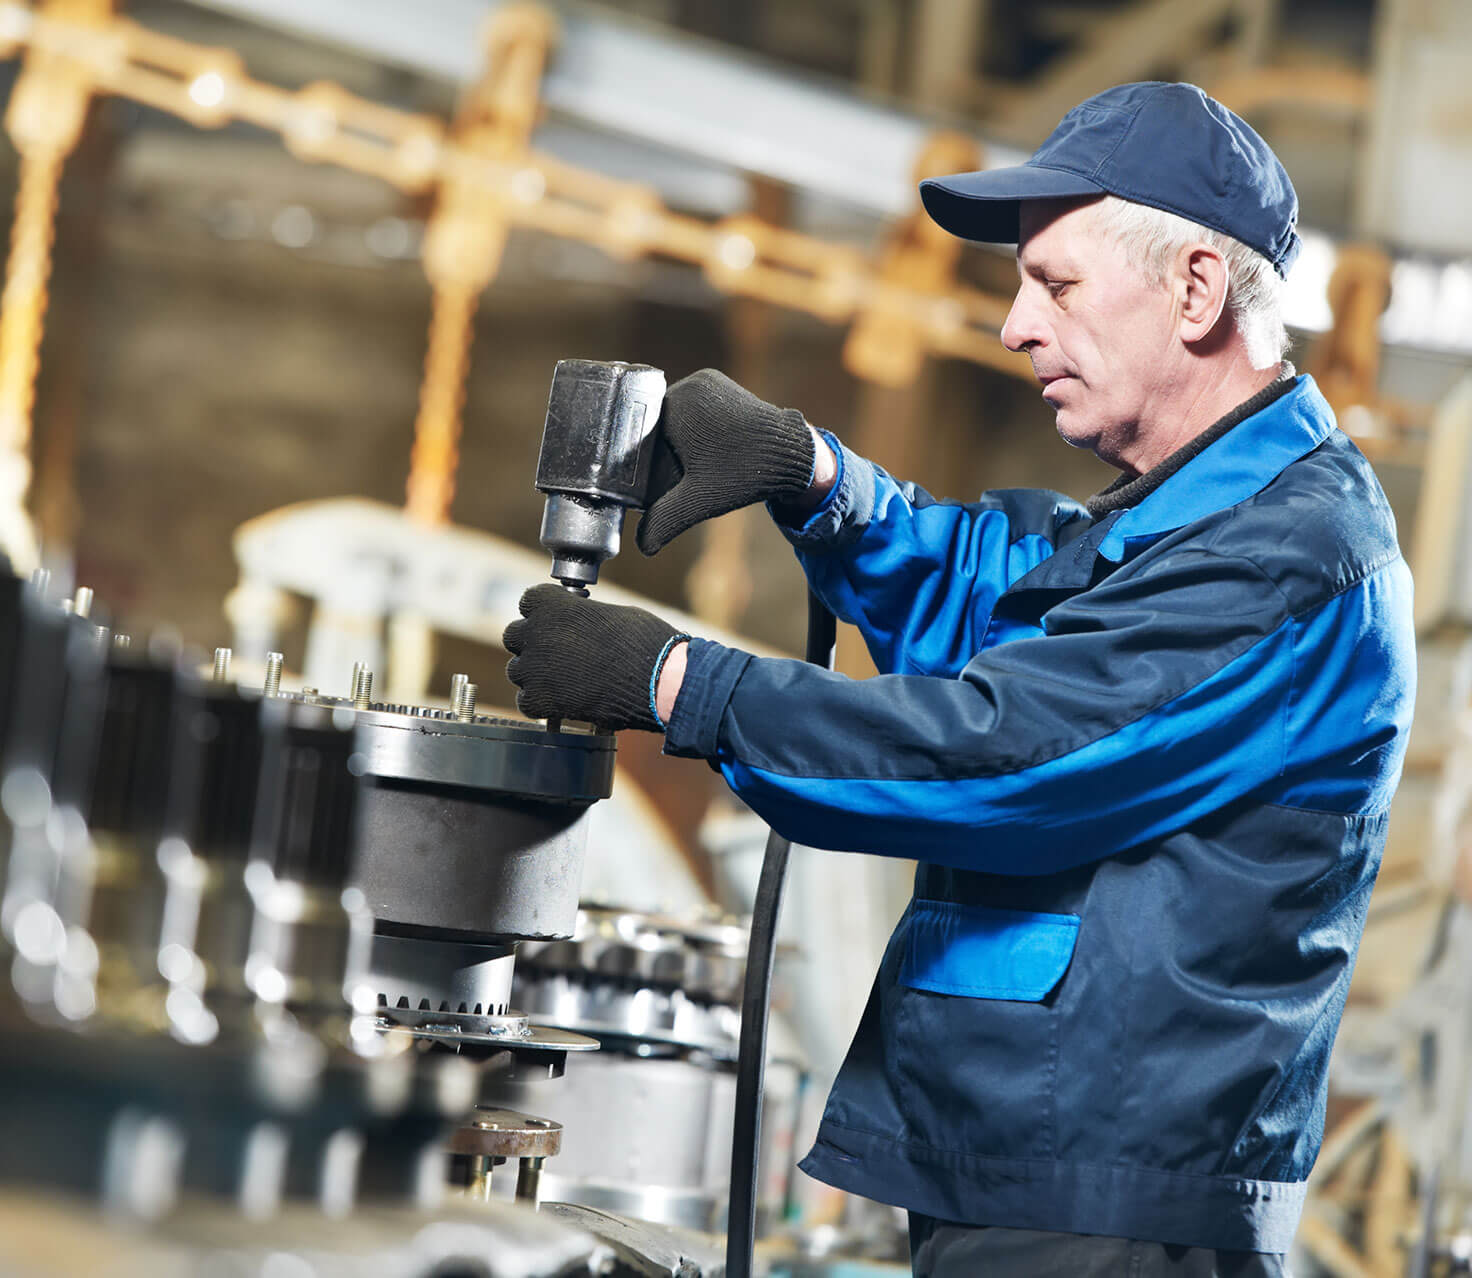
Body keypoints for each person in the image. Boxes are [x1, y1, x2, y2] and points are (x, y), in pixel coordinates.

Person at [502, 81, 1415, 1276]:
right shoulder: (1191, 522)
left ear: (1194, 289)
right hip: (1033, 1176)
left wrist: (681, 684)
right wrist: (817, 478)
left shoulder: (1289, 558)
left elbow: (1009, 750)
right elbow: (1005, 587)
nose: (1015, 326)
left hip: (1110, 1210)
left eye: (1059, 284)